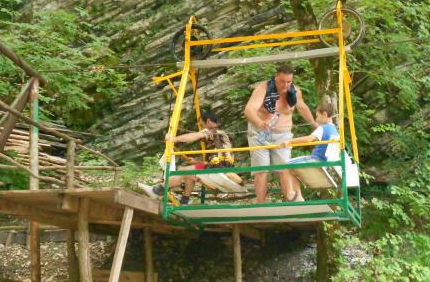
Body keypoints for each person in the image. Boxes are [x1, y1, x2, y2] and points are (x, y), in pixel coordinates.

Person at [244, 63, 317, 202]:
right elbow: (249, 110)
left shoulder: (295, 91)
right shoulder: (263, 89)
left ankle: (291, 200)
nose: (285, 85)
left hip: (283, 135)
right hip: (260, 134)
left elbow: (302, 107)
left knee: (284, 167)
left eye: (289, 81)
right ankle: (261, 205)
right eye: (282, 81)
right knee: (262, 170)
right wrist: (260, 123)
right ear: (276, 77)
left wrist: (314, 124)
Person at [138, 111, 237, 204]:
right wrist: (196, 162)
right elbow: (218, 159)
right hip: (223, 169)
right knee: (190, 175)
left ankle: (155, 191)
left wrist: (174, 139)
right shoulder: (223, 135)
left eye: (202, 125)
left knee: (182, 171)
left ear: (208, 121)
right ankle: (184, 202)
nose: (202, 128)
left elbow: (194, 136)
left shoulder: (213, 131)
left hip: (217, 169)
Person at [281, 102, 340, 201]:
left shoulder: (323, 128)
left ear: (324, 114)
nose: (316, 119)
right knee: (294, 171)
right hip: (325, 163)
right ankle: (298, 197)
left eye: (317, 116)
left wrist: (290, 141)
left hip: (316, 160)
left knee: (284, 165)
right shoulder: (335, 130)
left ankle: (290, 193)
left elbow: (309, 139)